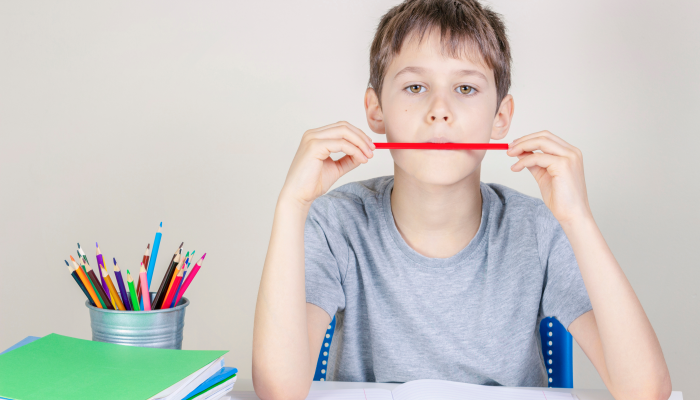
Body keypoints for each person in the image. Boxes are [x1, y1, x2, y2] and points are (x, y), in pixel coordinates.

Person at [252, 1, 671, 399]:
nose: (440, 110)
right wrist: (292, 204)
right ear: (376, 110)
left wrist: (578, 219)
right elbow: (281, 390)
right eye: (415, 86)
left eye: (466, 88)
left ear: (500, 117)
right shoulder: (336, 223)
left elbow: (645, 391)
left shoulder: (538, 229)